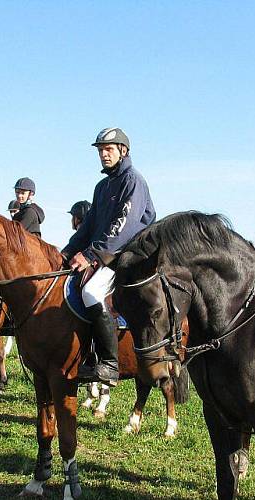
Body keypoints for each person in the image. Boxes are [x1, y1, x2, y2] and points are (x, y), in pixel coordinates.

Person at [62, 127, 156, 386]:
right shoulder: (102, 186)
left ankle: (109, 364)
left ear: (123, 151)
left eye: (109, 149)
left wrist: (91, 255)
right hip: (105, 253)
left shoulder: (133, 180)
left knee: (92, 291)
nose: (104, 154)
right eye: (101, 150)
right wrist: (67, 252)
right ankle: (86, 355)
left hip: (126, 254)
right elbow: (90, 226)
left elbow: (123, 225)